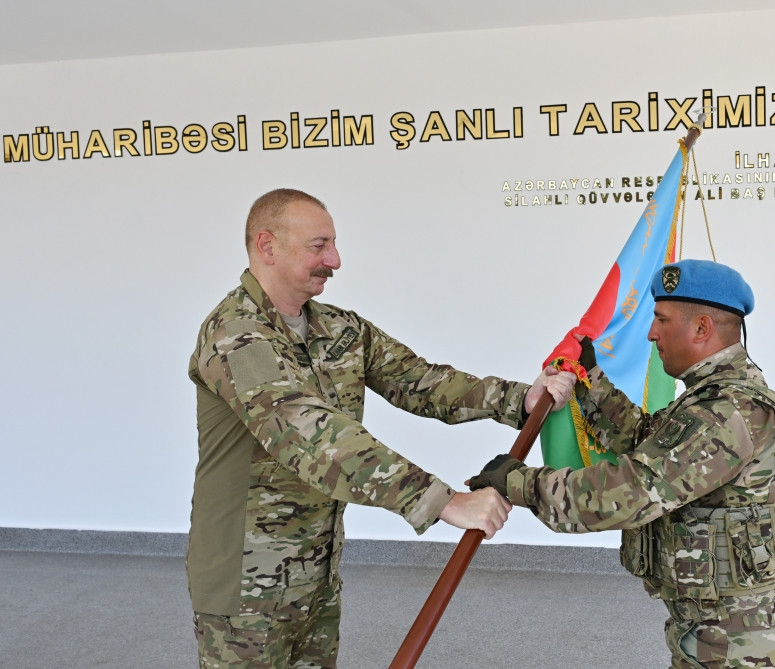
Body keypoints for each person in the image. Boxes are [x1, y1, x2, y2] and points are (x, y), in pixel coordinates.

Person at [187, 188, 575, 668]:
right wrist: (443, 501)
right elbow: (309, 433)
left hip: (317, 570)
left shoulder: (339, 328)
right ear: (267, 246)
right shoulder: (234, 336)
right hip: (246, 583)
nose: (335, 259)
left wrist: (519, 398)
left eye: (334, 244)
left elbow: (422, 381)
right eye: (318, 245)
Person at [470, 259, 775, 668]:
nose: (651, 333)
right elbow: (645, 440)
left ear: (701, 328)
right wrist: (590, 378)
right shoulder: (719, 400)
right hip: (729, 628)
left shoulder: (725, 410)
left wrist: (520, 483)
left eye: (662, 320)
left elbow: (632, 490)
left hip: (737, 642)